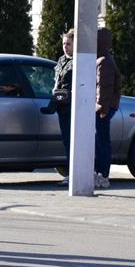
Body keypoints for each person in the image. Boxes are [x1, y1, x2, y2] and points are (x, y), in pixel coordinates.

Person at [95, 27, 122, 189]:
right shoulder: (105, 58)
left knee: (102, 142)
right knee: (100, 141)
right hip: (105, 106)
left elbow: (104, 87)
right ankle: (100, 173)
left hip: (103, 108)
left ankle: (103, 175)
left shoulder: (103, 61)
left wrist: (101, 108)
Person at [51, 29, 74, 185]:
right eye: (64, 44)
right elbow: (56, 79)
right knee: (66, 139)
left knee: (71, 140)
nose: (65, 47)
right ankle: (70, 172)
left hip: (71, 103)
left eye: (68, 44)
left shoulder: (78, 61)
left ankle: (74, 173)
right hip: (60, 103)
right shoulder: (61, 60)